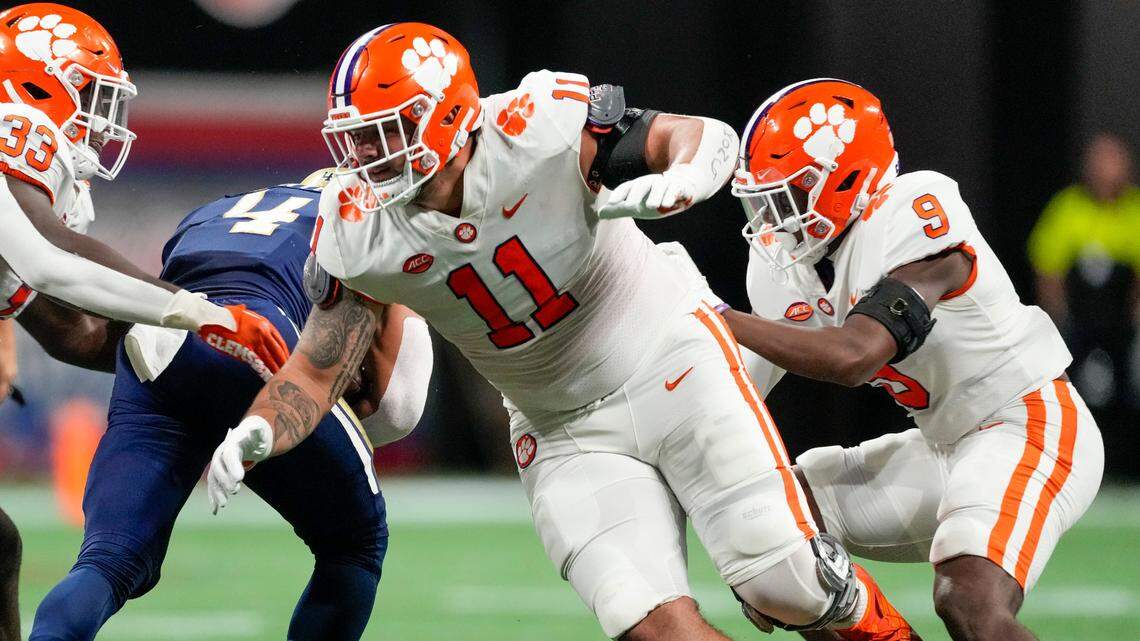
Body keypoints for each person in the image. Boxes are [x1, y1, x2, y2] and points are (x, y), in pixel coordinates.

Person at [208, 23, 918, 641]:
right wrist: (257, 432)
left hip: (667, 356)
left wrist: (687, 172)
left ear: (448, 114)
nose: (364, 158)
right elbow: (315, 369)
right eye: (355, 140)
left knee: (786, 581)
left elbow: (690, 135)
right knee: (651, 623)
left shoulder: (537, 127)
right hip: (559, 426)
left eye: (383, 132)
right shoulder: (356, 226)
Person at [708, 78, 1104, 641]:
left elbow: (856, 355)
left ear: (848, 175)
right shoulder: (786, 265)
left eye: (790, 195)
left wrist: (716, 315)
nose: (774, 218)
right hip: (942, 445)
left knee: (966, 600)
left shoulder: (915, 206)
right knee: (769, 529)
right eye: (765, 199)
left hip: (1027, 423)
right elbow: (734, 391)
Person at [27, 171, 433, 641]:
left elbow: (150, 334)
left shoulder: (211, 213)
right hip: (257, 342)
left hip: (160, 343)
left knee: (109, 560)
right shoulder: (362, 220)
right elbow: (399, 408)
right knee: (354, 545)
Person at [1027, 132, 1140, 410]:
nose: (1105, 167)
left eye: (1113, 159)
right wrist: (1057, 321)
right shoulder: (1067, 207)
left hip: (1124, 324)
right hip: (1078, 323)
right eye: (1098, 160)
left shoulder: (1135, 210)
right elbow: (1047, 269)